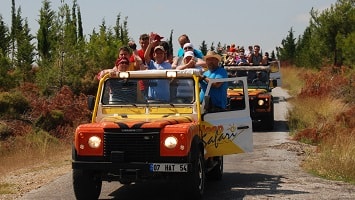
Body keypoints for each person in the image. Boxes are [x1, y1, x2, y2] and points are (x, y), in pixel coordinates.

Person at [144, 34, 172, 102]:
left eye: (161, 53)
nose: (159, 55)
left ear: (164, 54)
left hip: (164, 99)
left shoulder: (168, 65)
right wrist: (150, 45)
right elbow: (146, 56)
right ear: (154, 55)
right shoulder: (151, 64)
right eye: (157, 53)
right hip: (152, 99)